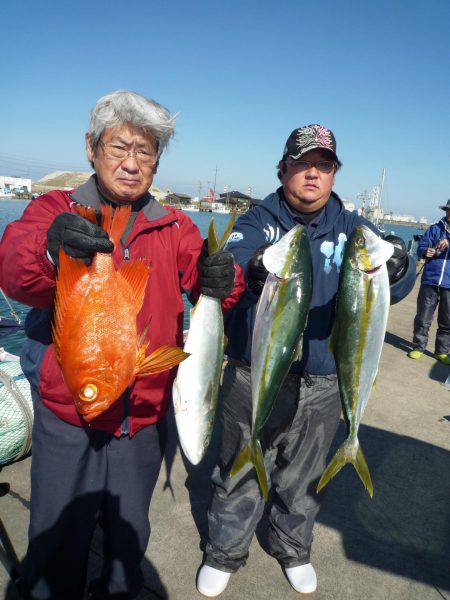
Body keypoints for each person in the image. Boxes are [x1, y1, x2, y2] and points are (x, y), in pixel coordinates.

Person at [0, 90, 244, 600]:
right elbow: (16, 272)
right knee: (54, 543)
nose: (132, 164)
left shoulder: (175, 226)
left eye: (146, 152)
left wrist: (224, 276)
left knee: (127, 544)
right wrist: (51, 250)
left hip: (142, 419)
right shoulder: (56, 209)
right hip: (71, 412)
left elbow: (217, 283)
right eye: (119, 148)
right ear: (92, 147)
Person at [196, 124, 415, 597]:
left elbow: (390, 277)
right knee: (238, 465)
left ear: (334, 174)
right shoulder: (259, 219)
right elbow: (235, 262)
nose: (313, 174)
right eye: (304, 164)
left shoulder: (354, 225)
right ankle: (224, 551)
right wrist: (249, 270)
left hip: (322, 377)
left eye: (325, 166)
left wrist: (402, 267)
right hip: (254, 370)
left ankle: (292, 546)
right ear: (283, 168)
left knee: (304, 477)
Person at [408, 199, 450, 364]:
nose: (449, 213)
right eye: (448, 210)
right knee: (423, 316)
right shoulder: (434, 229)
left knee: (447, 319)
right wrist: (426, 251)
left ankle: (442, 351)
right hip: (430, 279)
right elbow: (421, 248)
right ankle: (418, 347)